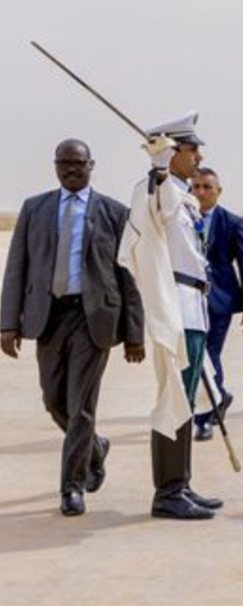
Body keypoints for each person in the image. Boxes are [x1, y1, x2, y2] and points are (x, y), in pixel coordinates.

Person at [1, 139, 145, 517]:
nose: (70, 170)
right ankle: (95, 447)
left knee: (81, 404)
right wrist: (7, 323)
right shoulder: (35, 208)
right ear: (54, 166)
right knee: (53, 400)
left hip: (92, 317)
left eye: (77, 164)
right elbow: (17, 267)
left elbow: (127, 276)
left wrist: (134, 332)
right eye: (63, 164)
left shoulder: (114, 212)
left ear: (91, 165)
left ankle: (72, 487)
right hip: (47, 315)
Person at [118, 112, 222, 519]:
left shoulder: (182, 194)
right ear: (174, 151)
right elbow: (155, 212)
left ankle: (183, 483)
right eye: (192, 148)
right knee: (171, 398)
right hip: (173, 307)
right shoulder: (155, 190)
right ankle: (167, 492)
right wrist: (158, 169)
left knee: (186, 398)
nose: (199, 156)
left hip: (193, 307)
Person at [190, 167, 243, 441]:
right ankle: (220, 396)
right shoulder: (180, 218)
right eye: (196, 187)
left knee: (209, 355)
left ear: (219, 191)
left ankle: (204, 419)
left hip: (219, 301)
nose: (201, 192)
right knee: (193, 358)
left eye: (207, 187)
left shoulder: (232, 222)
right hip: (188, 300)